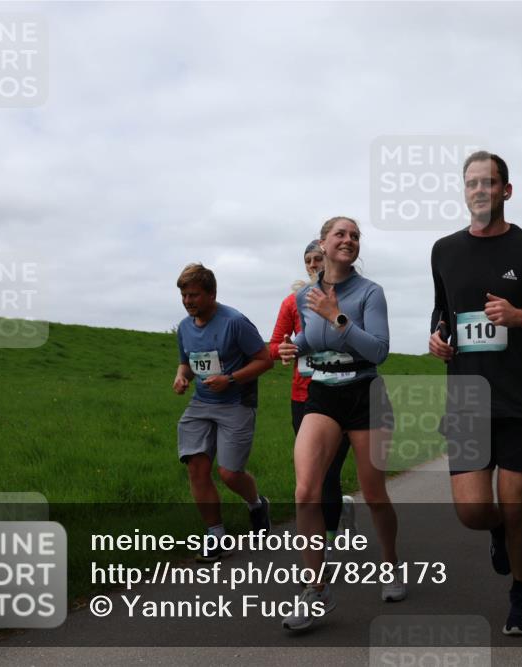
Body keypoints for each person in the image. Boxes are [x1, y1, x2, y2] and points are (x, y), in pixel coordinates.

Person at [429, 151, 522, 636]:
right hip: (468, 399)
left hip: (520, 397)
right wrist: (438, 337)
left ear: (506, 191)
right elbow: (444, 313)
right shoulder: (443, 250)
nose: (478, 190)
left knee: (516, 506)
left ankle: (521, 593)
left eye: (488, 183)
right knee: (473, 511)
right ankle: (497, 534)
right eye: (471, 183)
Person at [278, 216, 403, 631]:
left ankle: (390, 564)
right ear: (324, 243)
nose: (349, 240)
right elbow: (310, 342)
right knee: (305, 490)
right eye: (341, 234)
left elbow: (379, 350)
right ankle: (315, 590)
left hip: (365, 395)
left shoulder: (370, 293)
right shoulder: (305, 297)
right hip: (323, 396)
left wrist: (338, 317)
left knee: (374, 492)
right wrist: (290, 348)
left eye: (355, 236)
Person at [172, 263, 274, 562]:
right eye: (184, 296)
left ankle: (257, 505)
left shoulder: (235, 322)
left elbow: (264, 360)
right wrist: (181, 377)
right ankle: (216, 536)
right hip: (201, 403)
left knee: (229, 473)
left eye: (194, 295)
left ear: (211, 294)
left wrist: (230, 379)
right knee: (196, 467)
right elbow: (187, 362)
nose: (188, 301)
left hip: (236, 403)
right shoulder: (185, 327)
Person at [268, 241, 357, 547]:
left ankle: (327, 542)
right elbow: (273, 345)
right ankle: (336, 513)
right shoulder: (293, 303)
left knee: (328, 470)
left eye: (319, 258)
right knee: (312, 473)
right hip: (303, 396)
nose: (314, 264)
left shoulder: (351, 297)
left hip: (342, 391)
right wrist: (283, 349)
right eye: (308, 260)